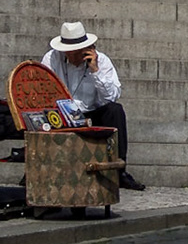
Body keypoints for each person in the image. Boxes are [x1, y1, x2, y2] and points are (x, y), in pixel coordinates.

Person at [42, 21, 143, 189]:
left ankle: (119, 170)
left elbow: (111, 97)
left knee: (115, 110)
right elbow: (45, 89)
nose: (73, 58)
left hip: (91, 113)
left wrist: (95, 71)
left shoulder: (101, 61)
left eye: (77, 53)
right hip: (62, 113)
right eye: (69, 53)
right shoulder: (51, 59)